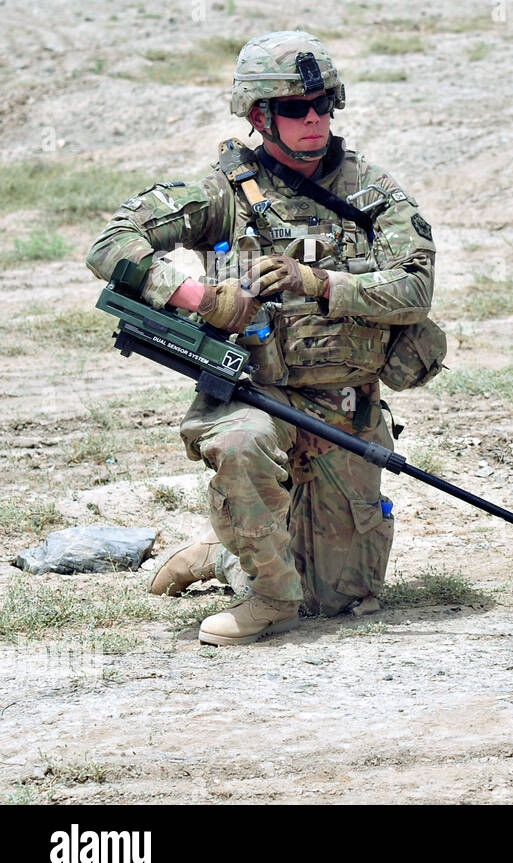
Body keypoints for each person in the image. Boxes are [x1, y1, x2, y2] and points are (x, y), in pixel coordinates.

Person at [86, 31, 439, 644]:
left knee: (339, 599)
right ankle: (269, 597)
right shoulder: (223, 192)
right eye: (296, 109)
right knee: (242, 447)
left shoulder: (373, 192)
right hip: (254, 393)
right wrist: (196, 296)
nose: (314, 119)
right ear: (259, 116)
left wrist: (319, 280)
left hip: (346, 406)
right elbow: (112, 244)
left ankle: (223, 558)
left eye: (323, 105)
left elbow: (416, 290)